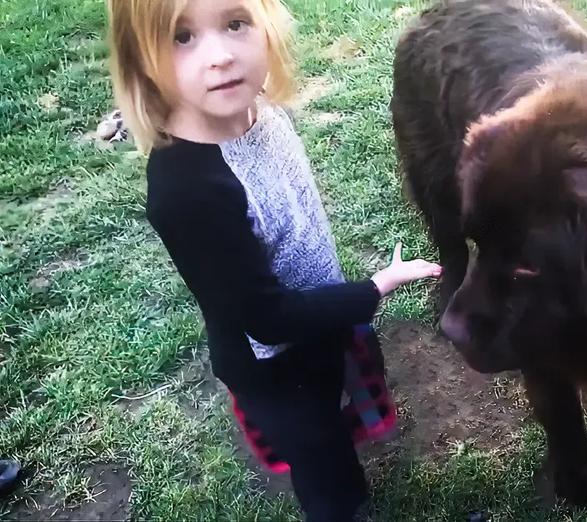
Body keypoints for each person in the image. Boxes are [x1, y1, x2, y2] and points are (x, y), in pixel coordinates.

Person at [105, 1, 442, 520]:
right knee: (324, 470)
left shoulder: (259, 109)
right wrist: (374, 288)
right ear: (140, 57)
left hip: (319, 325)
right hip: (278, 368)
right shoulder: (186, 192)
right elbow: (266, 319)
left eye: (235, 23)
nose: (221, 55)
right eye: (181, 37)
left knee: (335, 419)